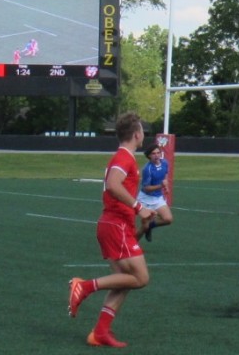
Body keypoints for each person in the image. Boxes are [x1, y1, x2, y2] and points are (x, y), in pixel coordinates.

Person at [67, 112, 156, 348]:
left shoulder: (124, 158)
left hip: (116, 225)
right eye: (142, 131)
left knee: (124, 281)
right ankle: (84, 286)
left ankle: (100, 333)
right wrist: (139, 207)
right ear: (137, 134)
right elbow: (113, 185)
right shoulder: (124, 158)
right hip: (114, 224)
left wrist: (142, 225)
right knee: (141, 278)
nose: (143, 135)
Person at [136, 143, 173, 242]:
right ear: (149, 156)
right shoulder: (147, 169)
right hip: (145, 199)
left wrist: (166, 186)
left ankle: (151, 226)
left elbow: (165, 175)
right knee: (144, 227)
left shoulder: (165, 163)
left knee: (168, 219)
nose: (157, 155)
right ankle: (132, 246)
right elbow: (146, 188)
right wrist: (161, 186)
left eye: (158, 153)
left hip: (157, 198)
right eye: (153, 153)